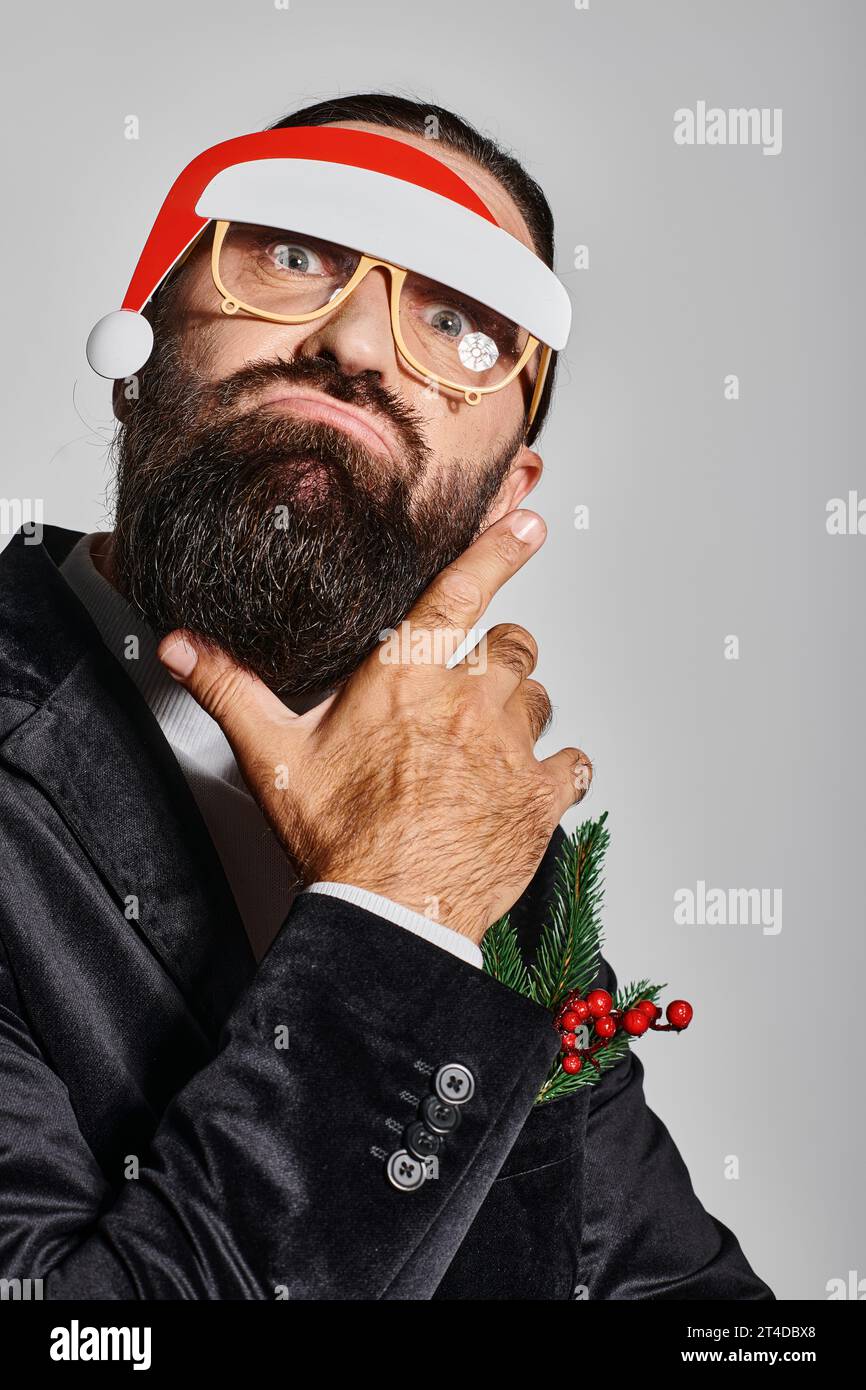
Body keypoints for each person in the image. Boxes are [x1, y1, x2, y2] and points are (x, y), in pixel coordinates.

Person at [0, 93, 774, 1300]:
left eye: (462, 320)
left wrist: (433, 882)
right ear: (139, 345)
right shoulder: (437, 859)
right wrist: (397, 914)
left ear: (504, 485)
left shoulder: (489, 841)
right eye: (295, 255)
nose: (357, 343)